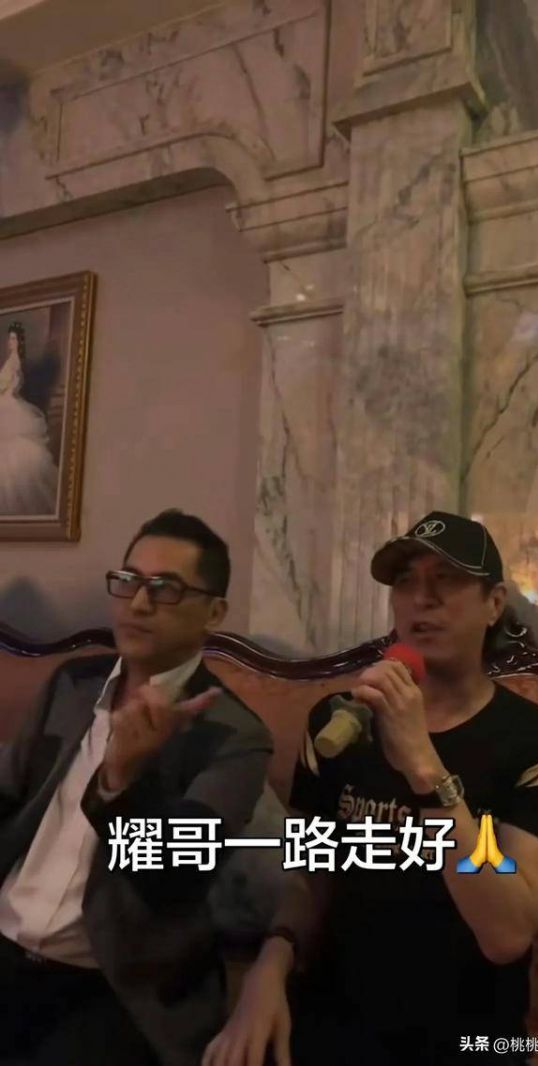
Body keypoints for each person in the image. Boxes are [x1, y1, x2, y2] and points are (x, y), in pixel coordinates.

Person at [203, 512, 538, 1066]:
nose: (421, 598)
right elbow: (311, 874)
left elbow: (506, 932)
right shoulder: (338, 724)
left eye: (446, 579)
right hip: (334, 1025)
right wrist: (270, 965)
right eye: (406, 581)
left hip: (468, 1038)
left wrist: (425, 768)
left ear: (494, 603)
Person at [0, 509, 273, 1065]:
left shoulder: (236, 736)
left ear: (214, 612)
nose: (139, 603)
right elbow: (7, 800)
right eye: (128, 581)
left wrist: (122, 779)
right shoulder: (72, 685)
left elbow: (174, 879)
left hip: (112, 986)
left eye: (166, 589)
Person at [0, 321, 59, 517]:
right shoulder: (9, 361)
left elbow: (14, 384)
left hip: (8, 402)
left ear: (19, 342)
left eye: (14, 339)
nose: (11, 342)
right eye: (10, 339)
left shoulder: (16, 362)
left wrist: (4, 390)